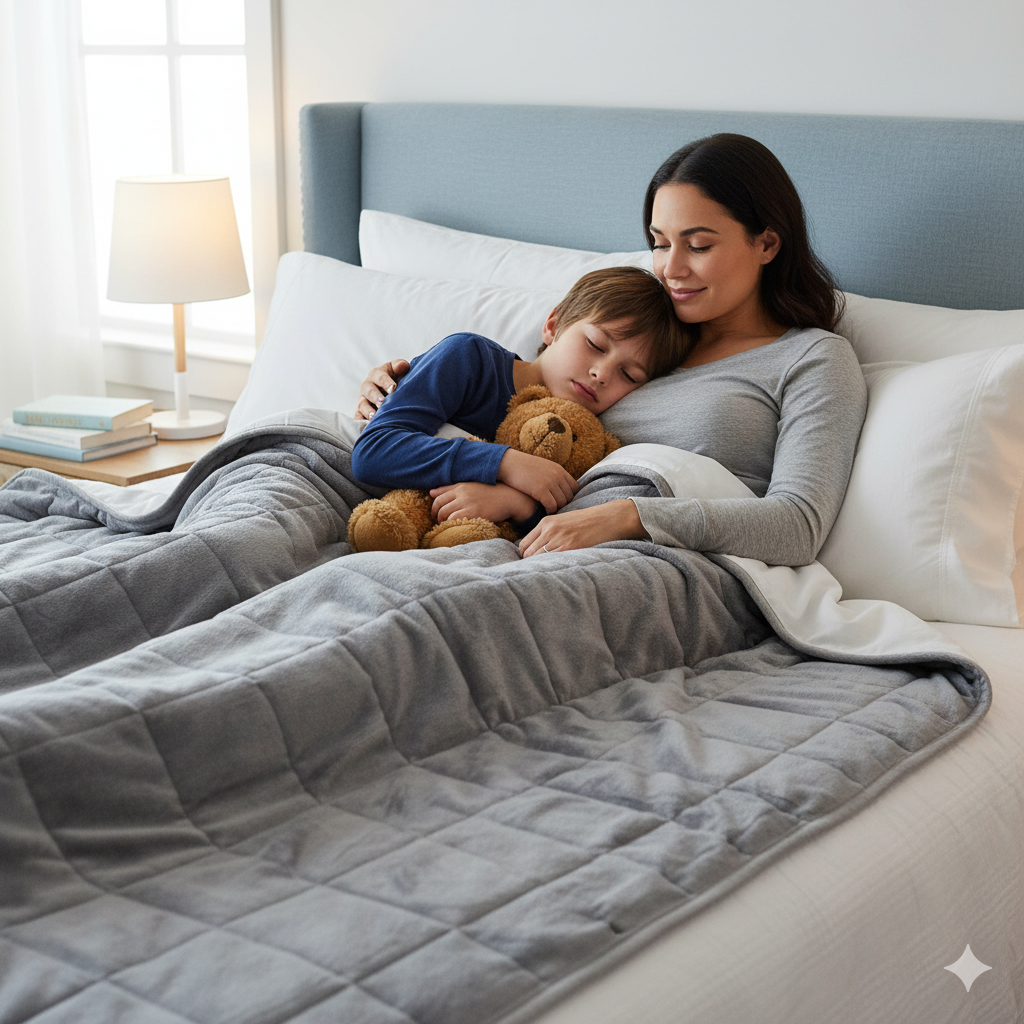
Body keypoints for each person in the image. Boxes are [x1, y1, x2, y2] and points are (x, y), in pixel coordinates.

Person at [355, 134, 867, 565]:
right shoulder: (649, 335)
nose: (671, 268)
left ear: (768, 245)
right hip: (531, 539)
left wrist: (625, 517)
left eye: (700, 245)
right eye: (660, 242)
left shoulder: (811, 359)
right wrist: (408, 379)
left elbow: (798, 524)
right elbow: (530, 404)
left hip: (651, 560)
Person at [351, 266, 690, 533]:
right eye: (596, 345)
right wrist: (505, 463)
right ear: (553, 325)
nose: (601, 373)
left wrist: (518, 505)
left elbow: (571, 521)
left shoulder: (581, 438)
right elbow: (372, 452)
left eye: (628, 376)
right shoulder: (469, 359)